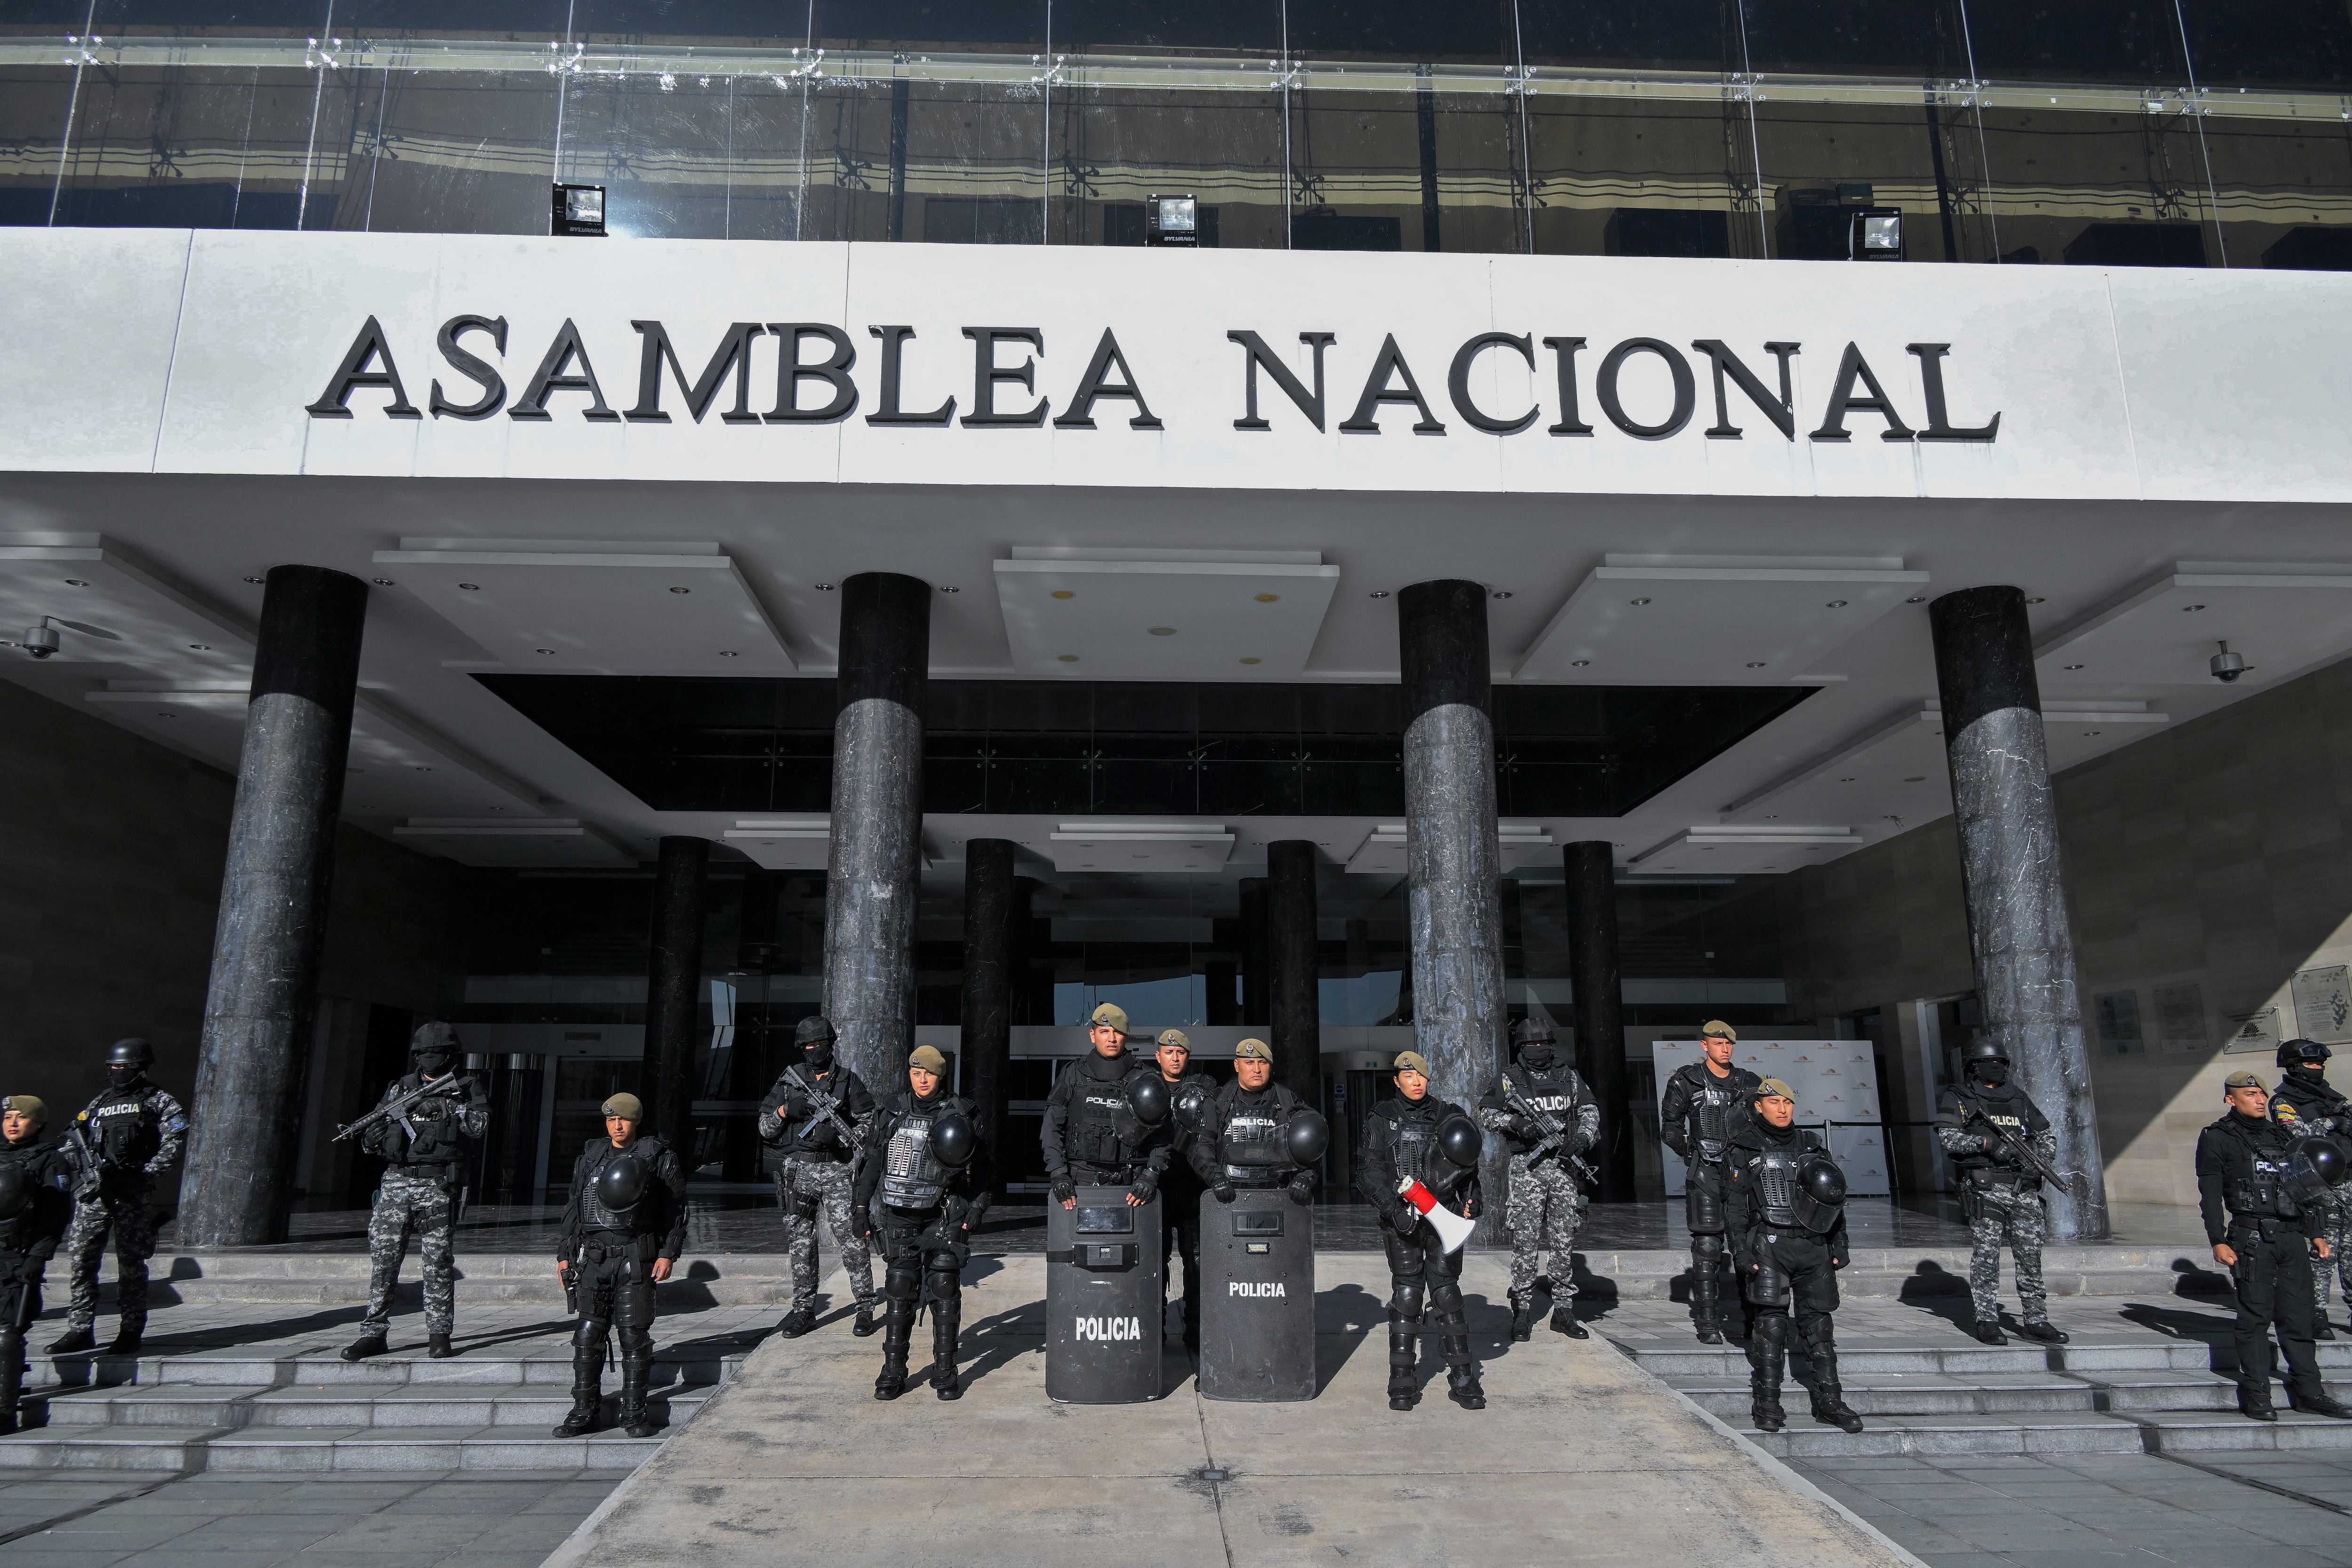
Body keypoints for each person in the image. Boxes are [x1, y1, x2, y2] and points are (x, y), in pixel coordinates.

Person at [2198, 1071, 2352, 1422]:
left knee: (2298, 1318)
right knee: (2254, 1318)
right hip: (2252, 1238)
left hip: (2291, 1237)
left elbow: (2305, 1188)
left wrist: (2315, 1233)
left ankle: (2311, 1392)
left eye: (2261, 1094)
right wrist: (2217, 1239)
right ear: (2230, 1098)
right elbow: (2209, 1194)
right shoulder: (2218, 1137)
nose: (2259, 1100)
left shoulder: (2281, 1136)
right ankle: (2257, 1392)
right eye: (2250, 1094)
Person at [342, 1021, 491, 1362]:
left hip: (437, 1185)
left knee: (437, 1263)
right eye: (424, 1054)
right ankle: (373, 1332)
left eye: (436, 1053)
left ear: (451, 1055)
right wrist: (372, 1135)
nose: (430, 1058)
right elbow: (372, 1143)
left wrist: (447, 1106)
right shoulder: (400, 1089)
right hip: (396, 1184)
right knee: (384, 1262)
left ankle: (439, 1335)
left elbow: (480, 1127)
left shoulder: (466, 1087)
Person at [853, 1045, 993, 1401]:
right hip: (899, 1213)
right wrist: (859, 1207)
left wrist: (976, 1209)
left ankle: (945, 1373)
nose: (922, 1079)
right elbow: (872, 1162)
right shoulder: (892, 1110)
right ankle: (893, 1371)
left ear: (940, 1075)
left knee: (944, 1291)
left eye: (929, 1073)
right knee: (899, 1291)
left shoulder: (962, 1112)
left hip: (945, 1213)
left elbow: (986, 1169)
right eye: (916, 1073)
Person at [1727, 1078, 1863, 1435]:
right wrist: (1739, 1250)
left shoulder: (1812, 1145)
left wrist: (1840, 1243)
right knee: (1770, 1326)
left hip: (1814, 1245)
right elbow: (1736, 1209)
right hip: (1770, 1245)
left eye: (1787, 1101)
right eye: (1774, 1102)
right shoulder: (1744, 1147)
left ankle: (1830, 1402)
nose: (1783, 1108)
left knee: (1819, 1327)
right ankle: (1768, 1403)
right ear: (1759, 1106)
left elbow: (1834, 1198)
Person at [553, 1092, 688, 1440]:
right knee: (587, 1334)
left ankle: (634, 1412)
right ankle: (584, 1410)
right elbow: (573, 1205)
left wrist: (668, 1252)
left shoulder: (657, 1155)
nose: (617, 1125)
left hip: (635, 1257)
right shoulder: (592, 1155)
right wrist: (565, 1254)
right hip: (594, 1257)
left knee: (633, 1335)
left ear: (636, 1121)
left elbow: (676, 1208)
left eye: (623, 1119)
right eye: (611, 1119)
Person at [1359, 1051, 1486, 1412]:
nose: (1416, 1081)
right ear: (1396, 1080)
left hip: (1444, 1215)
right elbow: (1369, 1172)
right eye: (1408, 1075)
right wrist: (1393, 1211)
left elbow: (1469, 1167)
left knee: (1447, 1293)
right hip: (1403, 1218)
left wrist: (1473, 1201)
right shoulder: (1382, 1118)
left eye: (1422, 1076)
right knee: (1408, 1294)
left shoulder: (1449, 1115)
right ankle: (1402, 1379)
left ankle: (1463, 1376)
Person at [49, 1039, 185, 1357]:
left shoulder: (159, 1100)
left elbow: (173, 1140)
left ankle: (130, 1329)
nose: (118, 1072)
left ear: (141, 1067)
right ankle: (80, 1328)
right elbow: (73, 1139)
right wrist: (82, 1170)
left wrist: (146, 1173)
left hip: (132, 1192)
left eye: (125, 1067)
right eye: (114, 1067)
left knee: (131, 1264)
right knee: (82, 1259)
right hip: (94, 1193)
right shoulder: (101, 1101)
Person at [1934, 1037, 2067, 1347]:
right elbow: (1949, 1137)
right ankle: (1988, 1320)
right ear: (1974, 1067)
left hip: (2023, 1186)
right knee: (1987, 1255)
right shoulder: (1960, 1096)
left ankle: (2036, 1319)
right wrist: (1988, 1144)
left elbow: (2046, 1135)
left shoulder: (2018, 1097)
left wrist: (2039, 1162)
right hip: (1987, 1186)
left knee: (2030, 1255)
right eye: (1988, 1063)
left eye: (2001, 1063)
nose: (1995, 1068)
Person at [757, 1015, 880, 1340]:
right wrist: (785, 1111)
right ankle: (803, 1312)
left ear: (831, 1045)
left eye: (821, 1045)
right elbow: (764, 1128)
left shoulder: (849, 1081)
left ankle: (865, 1307)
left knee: (853, 1239)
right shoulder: (789, 1082)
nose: (816, 1050)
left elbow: (870, 1124)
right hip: (800, 1171)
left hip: (838, 1169)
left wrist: (840, 1136)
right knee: (801, 1242)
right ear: (802, 1048)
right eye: (810, 1046)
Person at [1479, 1016, 1599, 1341]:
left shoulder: (1567, 1076)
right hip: (1527, 1168)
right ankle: (1521, 1309)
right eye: (1531, 1044)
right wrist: (1516, 1123)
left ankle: (1564, 1309)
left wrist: (1584, 1138)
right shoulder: (1509, 1078)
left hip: (1564, 1169)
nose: (1538, 1049)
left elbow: (1590, 1110)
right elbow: (1486, 1113)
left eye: (1543, 1044)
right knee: (1526, 1241)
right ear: (1521, 1047)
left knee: (1564, 1239)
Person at [1658, 1021, 1760, 1345]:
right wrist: (1690, 1149)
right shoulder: (1686, 1079)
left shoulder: (1750, 1082)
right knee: (1707, 1247)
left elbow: (1765, 1124)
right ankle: (1707, 1322)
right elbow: (1670, 1126)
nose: (1725, 1048)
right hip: (1706, 1171)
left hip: (1743, 1173)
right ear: (1705, 1045)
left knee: (1748, 1245)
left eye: (1729, 1043)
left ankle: (1754, 1321)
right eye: (1718, 1043)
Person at [1041, 1003, 1171, 1211]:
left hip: (1133, 1190)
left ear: (1126, 1036)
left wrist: (1151, 1175)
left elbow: (1163, 1137)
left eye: (1118, 1033)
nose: (1112, 1039)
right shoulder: (1072, 1074)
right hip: (1080, 1188)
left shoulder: (1145, 1078)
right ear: (1092, 1035)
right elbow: (1051, 1129)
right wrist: (1058, 1173)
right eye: (1104, 1032)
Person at [0, 1097, 74, 1434]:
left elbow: (55, 1216)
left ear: (38, 1123)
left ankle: (4, 1410)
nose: (13, 1123)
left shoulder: (51, 1160)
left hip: (19, 1256)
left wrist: (37, 1257)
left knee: (8, 1336)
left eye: (22, 1117)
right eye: (8, 1116)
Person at [2271, 1039, 2352, 1338]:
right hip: (2318, 1186)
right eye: (2311, 1064)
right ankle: (2317, 1313)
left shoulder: (2334, 1098)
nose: (2317, 1069)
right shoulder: (2284, 1101)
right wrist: (2332, 1123)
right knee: (2324, 1251)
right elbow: (2298, 1135)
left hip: (2349, 1183)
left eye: (2320, 1064)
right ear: (2294, 1067)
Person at [1187, 1038, 1317, 1208]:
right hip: (1228, 1198)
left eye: (1263, 1063)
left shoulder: (1288, 1102)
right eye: (1249, 1062)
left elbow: (1312, 1145)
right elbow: (1200, 1148)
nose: (1257, 1069)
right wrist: (1215, 1177)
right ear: (1237, 1065)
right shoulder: (1217, 1102)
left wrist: (1304, 1177)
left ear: (1270, 1066)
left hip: (1277, 1198)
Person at [1152, 1028, 1212, 1352]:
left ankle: (1195, 1333)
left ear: (1188, 1057)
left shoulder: (1205, 1089)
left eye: (1181, 1053)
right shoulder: (1146, 1087)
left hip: (1193, 1190)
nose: (1175, 1058)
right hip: (1157, 1190)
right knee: (1154, 1264)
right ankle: (1155, 1333)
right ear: (1158, 1056)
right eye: (1169, 1052)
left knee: (1197, 1265)